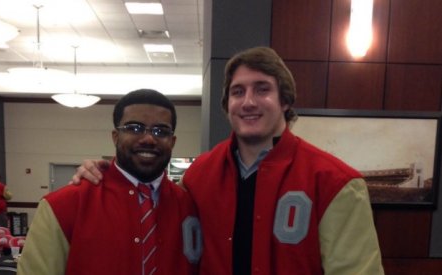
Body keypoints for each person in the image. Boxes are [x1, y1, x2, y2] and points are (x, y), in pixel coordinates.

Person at [72, 47, 384, 275]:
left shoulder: (335, 183)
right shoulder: (198, 177)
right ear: (227, 105)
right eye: (238, 92)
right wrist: (106, 173)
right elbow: (150, 209)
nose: (248, 102)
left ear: (285, 101)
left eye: (262, 89)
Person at [18, 89, 201, 275]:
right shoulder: (62, 206)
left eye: (160, 131)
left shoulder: (190, 206)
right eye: (135, 128)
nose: (148, 138)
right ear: (115, 137)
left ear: (173, 141)